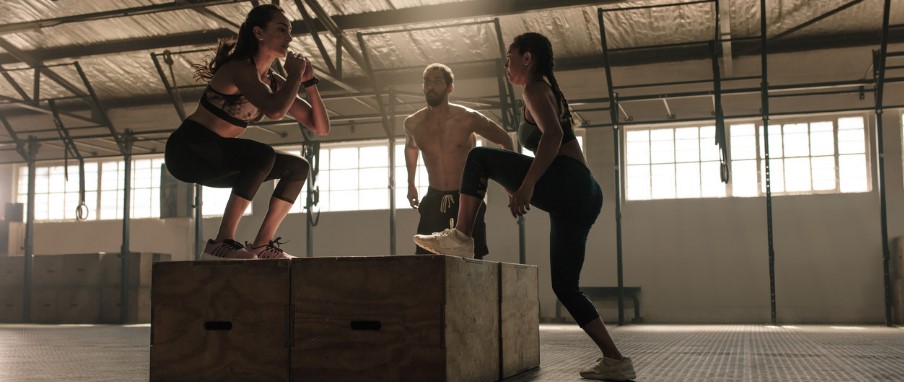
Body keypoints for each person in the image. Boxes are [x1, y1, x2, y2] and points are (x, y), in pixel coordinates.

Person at [413, 33, 636, 380]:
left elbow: (553, 137)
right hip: (580, 197)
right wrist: (515, 182)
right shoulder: (539, 90)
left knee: (477, 157)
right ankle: (616, 359)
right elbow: (536, 150)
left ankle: (461, 236)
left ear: (527, 58)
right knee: (564, 287)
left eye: (509, 57)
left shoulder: (535, 89)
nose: (505, 65)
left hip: (571, 182)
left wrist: (528, 184)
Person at [165, 4, 329, 260]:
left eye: (291, 32)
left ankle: (261, 245)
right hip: (189, 151)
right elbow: (275, 110)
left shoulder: (273, 81)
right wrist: (295, 78)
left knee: (298, 167)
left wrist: (308, 83)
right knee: (261, 154)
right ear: (259, 33)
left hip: (219, 157)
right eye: (282, 29)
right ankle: (221, 241)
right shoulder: (240, 68)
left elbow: (320, 126)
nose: (290, 38)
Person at [404, 63, 513, 260]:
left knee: (471, 258)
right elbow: (411, 148)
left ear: (450, 87)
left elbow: (504, 140)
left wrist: (511, 184)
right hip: (434, 196)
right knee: (425, 260)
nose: (431, 86)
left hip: (466, 198)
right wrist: (411, 184)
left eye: (437, 81)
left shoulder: (467, 118)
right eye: (427, 81)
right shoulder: (413, 123)